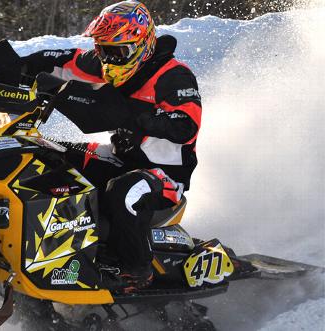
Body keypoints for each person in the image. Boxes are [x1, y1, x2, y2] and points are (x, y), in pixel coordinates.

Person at [21, 1, 202, 292]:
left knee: (125, 191)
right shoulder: (104, 64)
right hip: (119, 158)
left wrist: (141, 120)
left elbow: (186, 124)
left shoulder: (173, 75)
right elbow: (63, 59)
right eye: (103, 49)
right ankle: (52, 250)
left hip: (162, 175)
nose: (108, 59)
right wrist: (14, 64)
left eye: (116, 51)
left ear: (141, 44)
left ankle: (138, 270)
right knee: (45, 153)